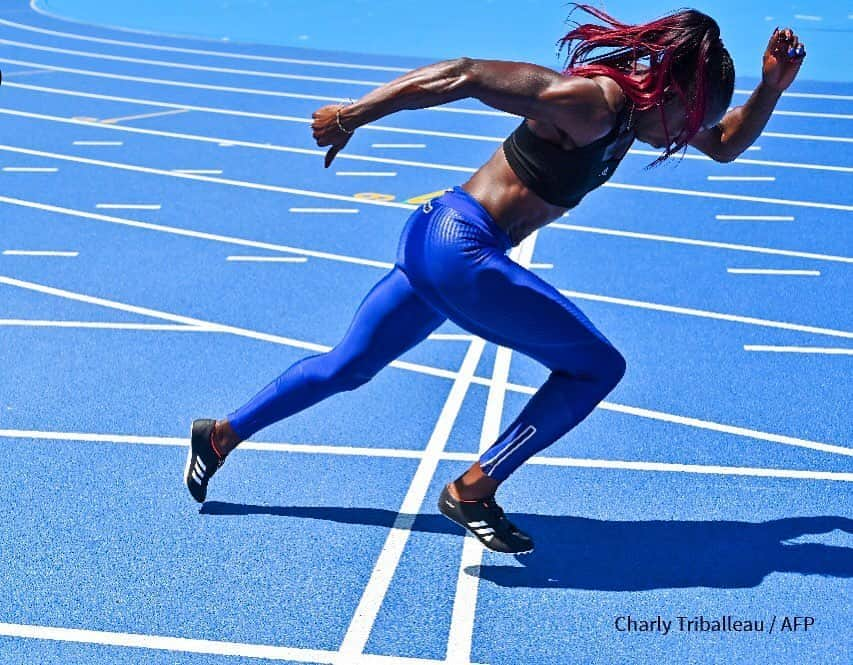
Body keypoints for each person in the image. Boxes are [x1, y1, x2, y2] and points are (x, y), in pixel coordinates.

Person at [185, 6, 805, 554]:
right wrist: (353, 115)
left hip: (435, 242)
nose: (681, 140)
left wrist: (770, 89)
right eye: (687, 120)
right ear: (666, 90)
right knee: (597, 367)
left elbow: (724, 145)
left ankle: (219, 436)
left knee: (345, 368)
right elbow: (466, 74)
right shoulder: (593, 105)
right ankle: (473, 489)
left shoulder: (647, 118)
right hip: (462, 245)